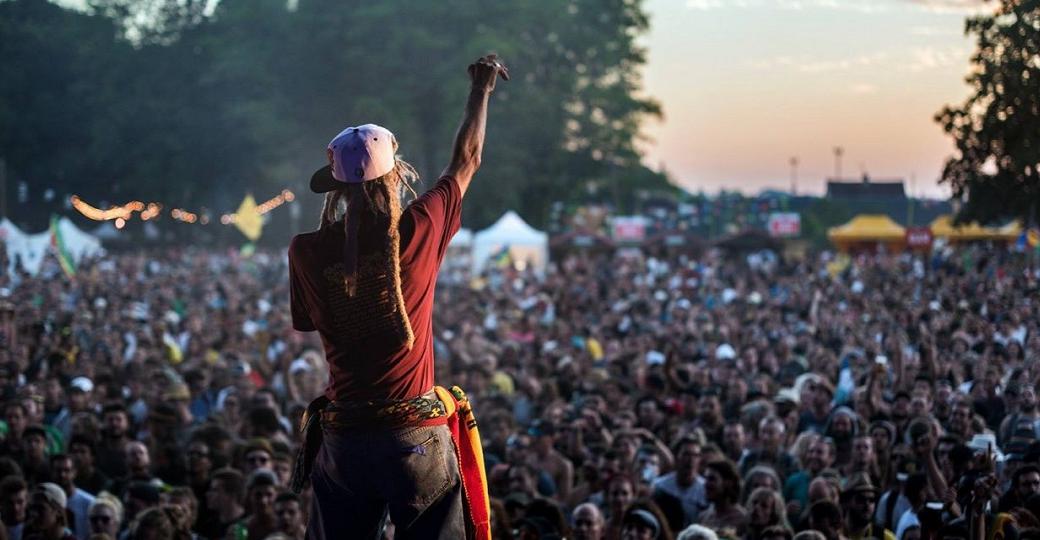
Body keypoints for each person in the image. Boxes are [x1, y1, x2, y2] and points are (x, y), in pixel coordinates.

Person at [288, 53, 508, 539]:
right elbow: (467, 160)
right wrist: (480, 90)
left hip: (343, 443)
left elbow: (305, 321)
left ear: (336, 191)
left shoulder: (305, 250)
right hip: (414, 440)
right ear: (395, 177)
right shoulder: (418, 228)